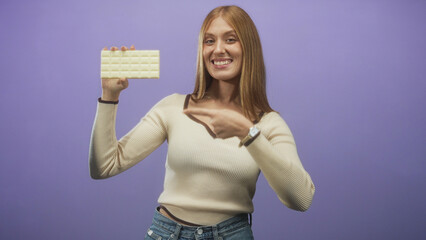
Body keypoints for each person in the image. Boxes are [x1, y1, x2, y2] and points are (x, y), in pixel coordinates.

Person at [89, 5, 315, 240]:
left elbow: (301, 199)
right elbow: (104, 166)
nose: (218, 49)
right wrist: (109, 96)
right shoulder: (174, 108)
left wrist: (247, 133)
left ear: (249, 47)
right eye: (209, 41)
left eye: (230, 39)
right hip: (166, 234)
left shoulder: (268, 124)